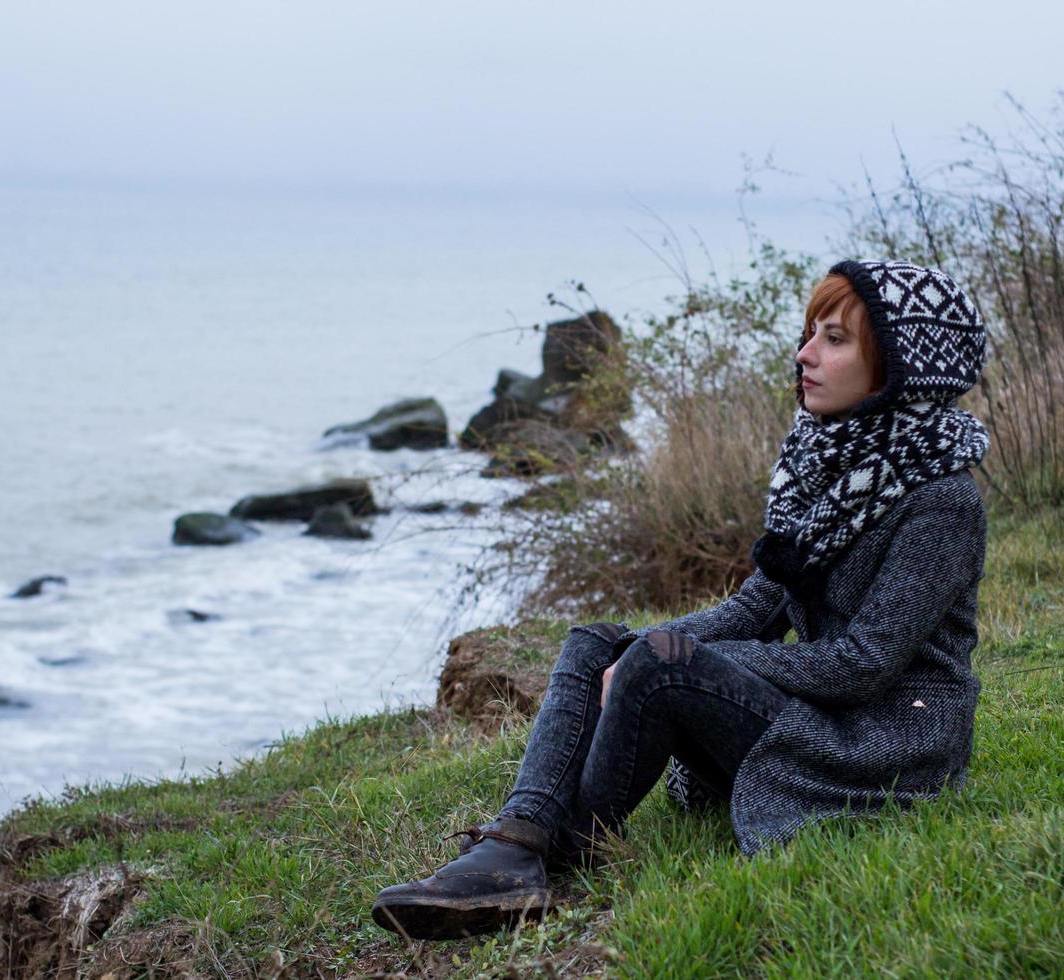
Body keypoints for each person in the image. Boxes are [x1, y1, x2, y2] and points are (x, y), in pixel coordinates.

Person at [371, 259, 991, 941]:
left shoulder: (942, 500)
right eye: (809, 333)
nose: (805, 355)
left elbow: (861, 665)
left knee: (662, 663)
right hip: (823, 714)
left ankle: (557, 845)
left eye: (835, 339)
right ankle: (516, 841)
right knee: (600, 642)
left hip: (885, 745)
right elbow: (752, 611)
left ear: (900, 367)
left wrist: (674, 657)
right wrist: (640, 648)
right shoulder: (826, 469)